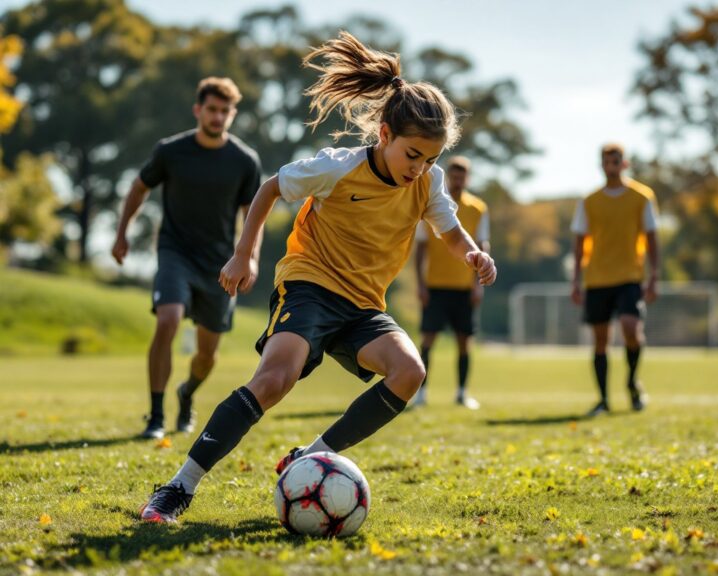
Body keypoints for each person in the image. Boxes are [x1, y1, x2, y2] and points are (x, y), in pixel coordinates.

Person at [139, 31, 497, 523]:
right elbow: (268, 190)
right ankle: (178, 487)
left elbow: (450, 231)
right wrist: (244, 255)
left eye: (431, 159)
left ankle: (310, 455)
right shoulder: (340, 167)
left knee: (410, 372)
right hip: (309, 282)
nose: (421, 167)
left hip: (365, 304)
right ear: (385, 135)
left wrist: (474, 253)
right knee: (275, 379)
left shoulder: (430, 182)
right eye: (413, 154)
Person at [112, 77, 262, 439]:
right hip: (175, 252)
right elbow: (139, 188)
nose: (217, 117)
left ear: (232, 114)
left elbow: (252, 214)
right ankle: (156, 416)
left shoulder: (244, 161)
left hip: (220, 264)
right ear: (198, 110)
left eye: (225, 111)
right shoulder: (170, 151)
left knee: (207, 355)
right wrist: (121, 234)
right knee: (168, 320)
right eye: (212, 109)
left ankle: (187, 392)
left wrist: (251, 258)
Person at [570, 143, 659, 416]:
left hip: (630, 277)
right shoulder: (590, 201)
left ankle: (632, 383)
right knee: (600, 340)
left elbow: (652, 236)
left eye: (616, 160)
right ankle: (603, 400)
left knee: (632, 330)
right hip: (597, 279)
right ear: (602, 164)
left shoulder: (641, 196)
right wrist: (576, 279)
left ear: (625, 163)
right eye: (607, 160)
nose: (612, 165)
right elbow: (579, 240)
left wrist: (654, 275)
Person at [412, 155, 490, 409]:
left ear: (467, 178)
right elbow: (421, 248)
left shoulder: (478, 208)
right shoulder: (435, 204)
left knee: (464, 341)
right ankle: (421, 393)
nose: (457, 180)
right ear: (448, 177)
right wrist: (421, 284)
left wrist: (478, 284)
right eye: (453, 176)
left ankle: (462, 392)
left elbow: (482, 245)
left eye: (461, 176)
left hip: (464, 287)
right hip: (436, 285)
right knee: (428, 340)